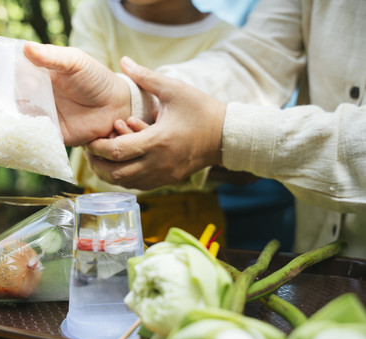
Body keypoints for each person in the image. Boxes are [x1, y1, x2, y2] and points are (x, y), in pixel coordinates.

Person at [23, 0, 366, 258]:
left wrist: (215, 136)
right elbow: (256, 61)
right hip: (315, 257)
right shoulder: (98, 12)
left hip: (191, 215)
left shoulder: (220, 30)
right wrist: (125, 99)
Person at [67, 0, 237, 245]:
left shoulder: (229, 40)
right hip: (99, 209)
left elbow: (239, 151)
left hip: (189, 218)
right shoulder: (96, 12)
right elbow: (84, 112)